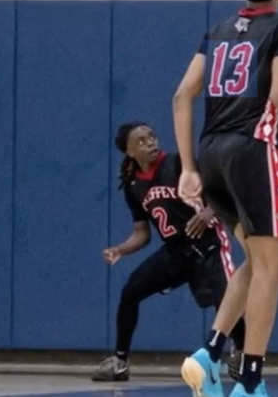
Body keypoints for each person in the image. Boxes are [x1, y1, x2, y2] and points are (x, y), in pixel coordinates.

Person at [174, 0, 278, 397]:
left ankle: (210, 354)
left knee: (255, 260)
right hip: (252, 150)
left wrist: (188, 169)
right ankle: (251, 381)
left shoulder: (216, 31)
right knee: (272, 269)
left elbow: (181, 97)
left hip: (211, 151)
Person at [93, 122, 246, 384]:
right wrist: (121, 249)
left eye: (152, 136)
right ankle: (120, 361)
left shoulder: (178, 164)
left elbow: (223, 190)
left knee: (225, 297)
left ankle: (241, 352)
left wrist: (209, 212)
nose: (150, 142)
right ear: (129, 151)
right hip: (176, 250)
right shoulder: (133, 186)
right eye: (141, 141)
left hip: (208, 243)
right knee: (131, 291)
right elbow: (143, 233)